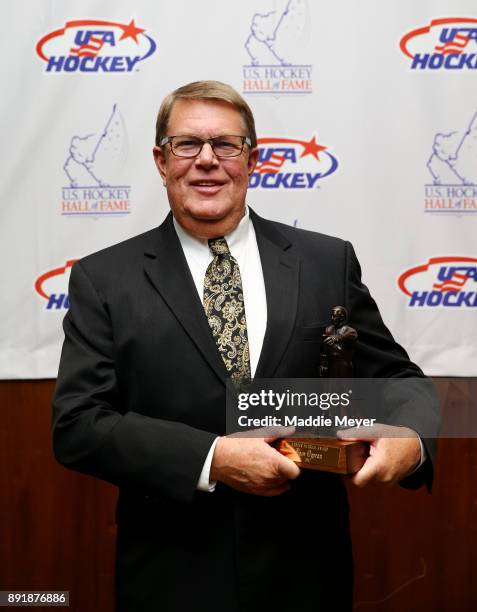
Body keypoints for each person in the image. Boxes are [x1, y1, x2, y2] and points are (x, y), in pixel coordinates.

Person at [52, 80, 436, 611]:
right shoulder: (104, 279)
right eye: (187, 144)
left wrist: (413, 439)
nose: (207, 160)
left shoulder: (326, 263)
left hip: (305, 574)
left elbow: (398, 382)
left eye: (226, 145)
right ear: (161, 161)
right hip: (170, 577)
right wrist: (212, 457)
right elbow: (78, 425)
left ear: (251, 160)